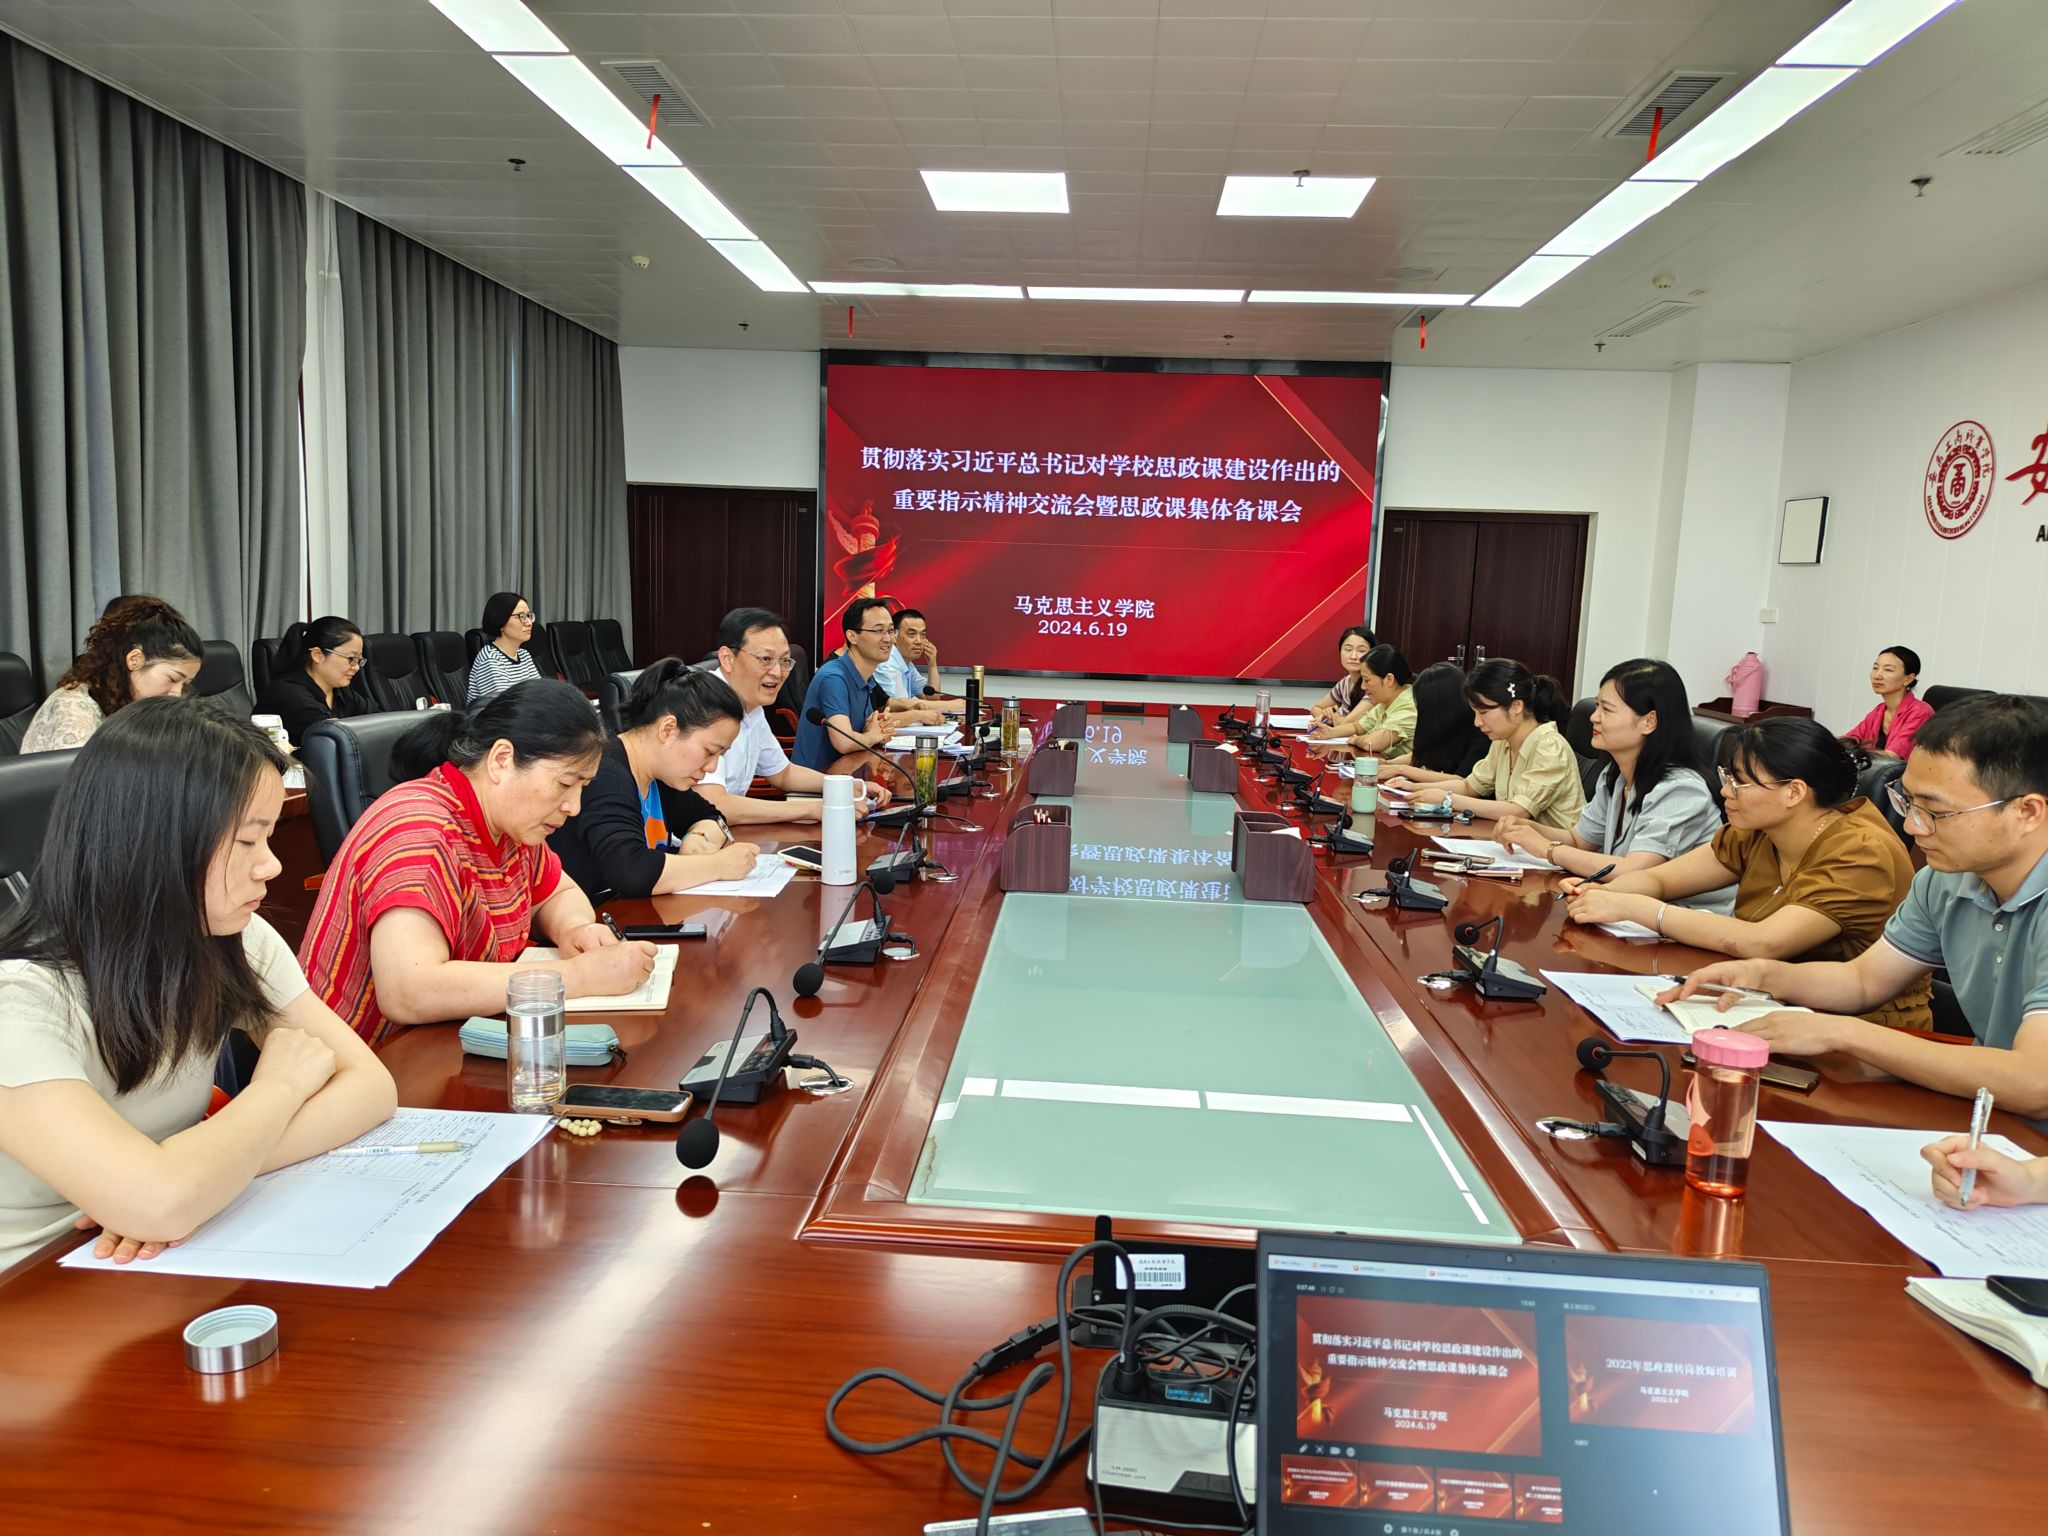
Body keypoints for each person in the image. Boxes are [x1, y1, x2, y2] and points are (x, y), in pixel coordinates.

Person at [0, 700, 396, 1270]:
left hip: (165, 1249)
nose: (272, 866)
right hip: (36, 1282)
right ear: (150, 841)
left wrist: (197, 1177)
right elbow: (159, 1201)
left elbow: (371, 1087)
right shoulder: (20, 1001)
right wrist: (278, 1088)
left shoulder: (235, 937)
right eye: (248, 841)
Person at [1671, 696, 2048, 1111]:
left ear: (2027, 812)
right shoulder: (1943, 881)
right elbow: (1863, 981)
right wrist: (1760, 974)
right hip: (1986, 1110)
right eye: (1908, 803)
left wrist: (1844, 1033)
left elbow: (2035, 1082)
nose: (1911, 826)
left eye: (1935, 812)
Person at [298, 679, 659, 1046]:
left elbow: (557, 893)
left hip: (448, 1040)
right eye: (565, 784)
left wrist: (575, 930)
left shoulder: (511, 825)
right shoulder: (421, 830)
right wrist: (577, 976)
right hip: (368, 1057)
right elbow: (409, 990)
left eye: (583, 788)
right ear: (502, 760)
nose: (574, 806)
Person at [1565, 716, 1931, 1031]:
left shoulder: (1861, 851)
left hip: (1860, 1023)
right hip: (1767, 997)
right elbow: (1661, 879)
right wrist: (1602, 894)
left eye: (1740, 781)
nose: (1726, 791)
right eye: (1726, 776)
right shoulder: (1759, 829)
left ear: (1794, 792)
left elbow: (1764, 942)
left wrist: (1636, 908)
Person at [1497, 658, 1731, 912]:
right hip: (1626, 910)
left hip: (1684, 919)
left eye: (1607, 710)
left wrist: (1548, 849)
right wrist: (1527, 829)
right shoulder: (1616, 774)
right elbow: (1579, 840)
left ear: (1649, 722)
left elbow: (1636, 870)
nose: (1594, 717)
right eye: (1597, 706)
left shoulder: (1682, 789)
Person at [548, 661, 763, 899]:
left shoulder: (662, 775)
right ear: (668, 729)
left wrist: (697, 838)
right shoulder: (605, 774)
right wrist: (718, 865)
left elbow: (712, 817)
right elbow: (632, 872)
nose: (712, 766)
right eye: (710, 751)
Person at [695, 607, 889, 826]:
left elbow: (783, 773)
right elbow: (716, 804)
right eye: (765, 659)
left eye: (785, 661)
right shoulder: (704, 706)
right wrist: (815, 809)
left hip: (725, 831)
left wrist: (847, 786)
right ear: (727, 658)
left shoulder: (751, 704)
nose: (777, 672)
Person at [1380, 658, 1585, 830]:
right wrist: (1412, 788)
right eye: (1475, 713)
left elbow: (1518, 811)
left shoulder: (1549, 746)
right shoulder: (1503, 740)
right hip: (1516, 843)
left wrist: (1447, 799)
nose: (1477, 722)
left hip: (1555, 854)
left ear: (1516, 707)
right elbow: (1469, 786)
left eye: (1484, 712)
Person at [19, 595, 204, 754]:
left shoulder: (132, 704)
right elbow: (81, 782)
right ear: (135, 659)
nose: (177, 693)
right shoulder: (73, 710)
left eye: (185, 684)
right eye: (173, 679)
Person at [792, 597, 911, 775]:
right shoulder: (834, 677)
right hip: (815, 783)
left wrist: (875, 727)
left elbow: (864, 730)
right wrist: (873, 736)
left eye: (890, 631)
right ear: (852, 636)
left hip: (848, 775)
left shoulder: (866, 677)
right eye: (878, 631)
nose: (888, 639)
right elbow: (844, 742)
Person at [255, 616, 373, 748]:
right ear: (318, 655)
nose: (356, 667)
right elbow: (336, 737)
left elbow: (377, 719)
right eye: (351, 659)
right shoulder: (288, 694)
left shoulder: (341, 692)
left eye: (359, 660)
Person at [1308, 644, 1416, 759]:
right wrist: (1330, 732)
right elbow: (1357, 727)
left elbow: (1371, 743)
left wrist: (1356, 740)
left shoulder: (1409, 705)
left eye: (1367, 680)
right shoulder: (1386, 701)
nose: (1363, 687)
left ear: (1389, 680)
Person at [1841, 645, 1933, 761]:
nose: (1877, 675)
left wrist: (1856, 752)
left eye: (1888, 670)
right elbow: (1849, 740)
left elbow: (1892, 756)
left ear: (1908, 679)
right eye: (1875, 668)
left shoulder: (1920, 712)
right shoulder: (1879, 711)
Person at [1402, 661, 1489, 775]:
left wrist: (1401, 770)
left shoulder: (1482, 732)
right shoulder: (1448, 727)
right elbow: (1424, 753)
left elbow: (1462, 780)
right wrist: (1389, 764)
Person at [874, 609, 960, 720]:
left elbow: (932, 697)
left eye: (923, 634)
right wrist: (951, 705)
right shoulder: (887, 663)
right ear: (893, 636)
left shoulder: (907, 663)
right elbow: (901, 704)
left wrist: (932, 664)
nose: (919, 641)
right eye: (912, 634)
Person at [466, 591, 544, 705]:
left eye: (528, 616)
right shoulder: (490, 658)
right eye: (521, 617)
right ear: (501, 622)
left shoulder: (524, 655)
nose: (529, 623)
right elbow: (504, 707)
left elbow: (541, 694)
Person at [1308, 626, 1375, 726]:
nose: (1353, 656)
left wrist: (1334, 716)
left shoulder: (1373, 685)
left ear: (1372, 654)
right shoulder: (1345, 682)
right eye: (1348, 649)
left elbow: (1347, 724)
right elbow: (1316, 708)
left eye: (1361, 651)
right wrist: (1327, 716)